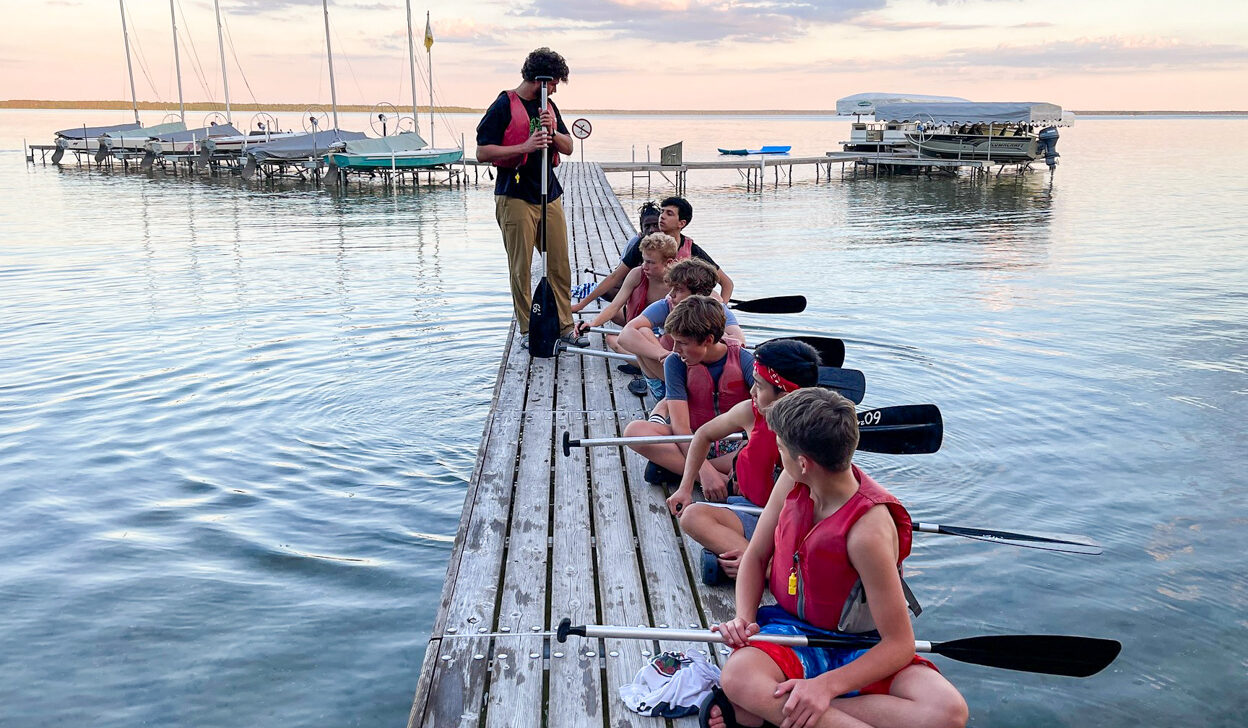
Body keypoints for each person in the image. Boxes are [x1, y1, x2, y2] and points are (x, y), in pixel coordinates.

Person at [706, 389, 968, 728]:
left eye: (781, 449)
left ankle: (764, 714)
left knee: (948, 712)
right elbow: (755, 556)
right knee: (739, 677)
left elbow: (899, 644)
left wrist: (824, 687)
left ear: (804, 462)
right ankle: (781, 710)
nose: (778, 455)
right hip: (792, 632)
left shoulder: (867, 532)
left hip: (857, 645)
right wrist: (743, 618)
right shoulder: (791, 480)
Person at [665, 339, 821, 585]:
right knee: (692, 516)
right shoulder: (750, 411)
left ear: (785, 393)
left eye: (758, 387)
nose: (751, 392)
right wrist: (685, 488)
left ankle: (761, 567)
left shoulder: (819, 433)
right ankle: (762, 563)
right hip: (751, 509)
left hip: (793, 527)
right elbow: (703, 435)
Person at [474, 47, 585, 349]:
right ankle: (527, 330)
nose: (556, 89)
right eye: (555, 83)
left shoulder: (548, 106)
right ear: (541, 80)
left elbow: (568, 146)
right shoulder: (503, 105)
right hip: (516, 196)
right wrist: (524, 146)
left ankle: (564, 327)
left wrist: (552, 130)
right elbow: (483, 152)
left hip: (549, 194)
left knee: (560, 264)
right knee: (521, 267)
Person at [622, 295, 754, 484]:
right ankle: (722, 481)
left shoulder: (744, 360)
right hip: (692, 439)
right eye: (674, 342)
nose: (675, 350)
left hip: (735, 444)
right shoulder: (675, 362)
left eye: (682, 343)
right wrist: (705, 471)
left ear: (708, 340)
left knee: (766, 447)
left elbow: (765, 419)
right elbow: (680, 427)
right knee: (635, 431)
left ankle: (677, 468)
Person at [572, 196, 734, 314]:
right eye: (662, 212)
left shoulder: (693, 251)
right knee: (612, 311)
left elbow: (727, 284)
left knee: (712, 296)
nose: (662, 216)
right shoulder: (645, 245)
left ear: (681, 223)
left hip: (675, 312)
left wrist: (722, 311)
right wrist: (581, 305)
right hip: (645, 310)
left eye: (669, 214)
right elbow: (614, 277)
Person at [616, 258, 746, 400]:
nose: (671, 295)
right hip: (667, 374)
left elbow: (739, 343)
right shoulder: (666, 305)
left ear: (699, 295)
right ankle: (672, 388)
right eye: (671, 288)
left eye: (678, 290)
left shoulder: (716, 310)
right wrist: (664, 355)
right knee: (641, 331)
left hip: (700, 376)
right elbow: (624, 336)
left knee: (723, 337)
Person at [572, 233, 681, 351]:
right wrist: (592, 324)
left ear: (669, 262)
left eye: (651, 262)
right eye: (644, 261)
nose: (644, 266)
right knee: (611, 339)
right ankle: (651, 359)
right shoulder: (637, 274)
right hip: (642, 328)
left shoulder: (679, 283)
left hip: (669, 333)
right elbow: (614, 306)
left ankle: (649, 360)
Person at [571, 202, 661, 310]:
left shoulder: (672, 244)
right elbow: (615, 276)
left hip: (663, 291)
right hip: (643, 287)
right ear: (641, 230)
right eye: (647, 226)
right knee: (609, 291)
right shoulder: (638, 243)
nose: (652, 230)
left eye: (656, 225)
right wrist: (581, 305)